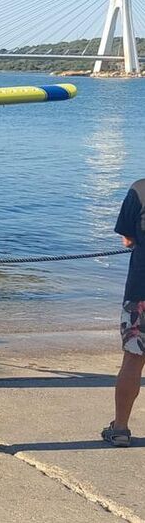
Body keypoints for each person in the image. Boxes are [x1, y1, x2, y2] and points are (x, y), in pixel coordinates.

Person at [102, 179, 145, 447]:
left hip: (141, 290)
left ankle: (120, 428)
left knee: (133, 359)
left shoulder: (139, 190)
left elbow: (127, 237)